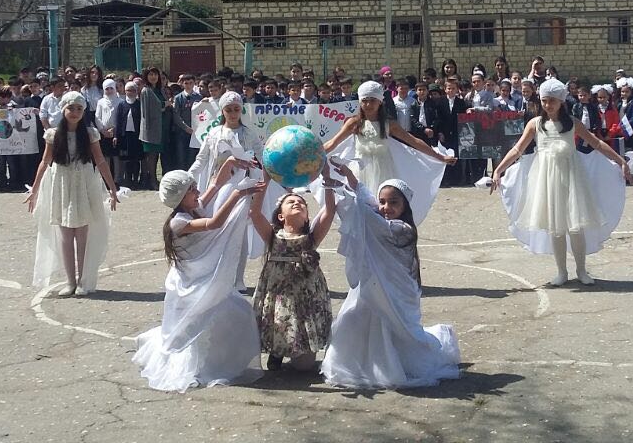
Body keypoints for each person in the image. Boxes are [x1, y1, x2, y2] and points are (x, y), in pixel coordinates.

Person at [320, 166, 460, 389]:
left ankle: (389, 362)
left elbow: (367, 216)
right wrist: (351, 179)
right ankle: (363, 361)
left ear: (405, 205)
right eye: (382, 202)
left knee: (391, 325)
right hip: (373, 283)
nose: (386, 207)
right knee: (356, 318)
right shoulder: (379, 215)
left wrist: (343, 191)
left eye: (394, 202)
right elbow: (367, 204)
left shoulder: (402, 229)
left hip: (393, 290)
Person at [133, 166, 266, 392]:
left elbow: (215, 184)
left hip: (201, 280)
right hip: (190, 284)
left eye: (195, 188)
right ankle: (204, 363)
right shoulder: (179, 222)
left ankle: (222, 357)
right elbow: (214, 223)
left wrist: (231, 162)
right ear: (179, 197)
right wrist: (238, 194)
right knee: (200, 324)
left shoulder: (194, 207)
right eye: (192, 190)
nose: (197, 192)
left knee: (238, 312)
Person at [492, 77, 628, 287]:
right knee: (555, 226)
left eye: (552, 101)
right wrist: (499, 170)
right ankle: (562, 272)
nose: (548, 105)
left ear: (561, 102)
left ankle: (581, 270)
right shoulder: (535, 124)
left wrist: (620, 161)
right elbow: (518, 149)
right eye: (544, 101)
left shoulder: (572, 123)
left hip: (572, 179)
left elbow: (597, 143)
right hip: (547, 180)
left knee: (575, 226)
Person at [25, 91, 121, 297]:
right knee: (65, 234)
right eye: (71, 108)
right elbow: (45, 162)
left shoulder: (90, 134)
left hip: (83, 184)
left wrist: (112, 188)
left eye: (79, 108)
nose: (75, 112)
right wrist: (34, 189)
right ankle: (69, 281)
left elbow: (101, 161)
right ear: (63, 109)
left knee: (82, 234)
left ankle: (83, 280)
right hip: (61, 184)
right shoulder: (53, 135)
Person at [247, 170, 337, 372]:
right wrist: (266, 180)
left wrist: (327, 179)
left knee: (304, 367)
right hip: (279, 292)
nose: (298, 203)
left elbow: (330, 211)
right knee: (279, 319)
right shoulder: (272, 235)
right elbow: (254, 213)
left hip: (305, 294)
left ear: (307, 218)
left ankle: (302, 350)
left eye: (302, 204)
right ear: (280, 215)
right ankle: (276, 352)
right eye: (291, 202)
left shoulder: (311, 238)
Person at [322, 81, 455, 207]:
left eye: (372, 100)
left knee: (383, 204)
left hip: (384, 170)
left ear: (380, 102)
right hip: (360, 170)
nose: (368, 105)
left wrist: (440, 157)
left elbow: (413, 141)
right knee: (360, 205)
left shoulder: (388, 124)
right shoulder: (354, 123)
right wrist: (313, 154)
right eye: (364, 101)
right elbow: (334, 142)